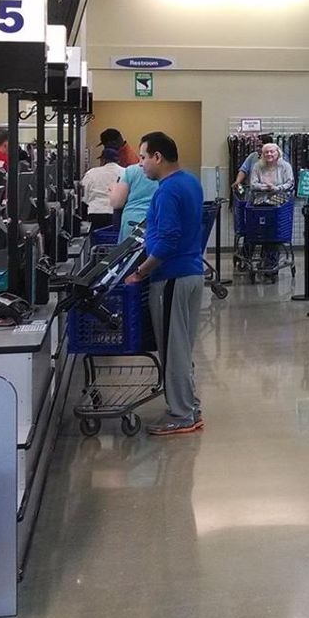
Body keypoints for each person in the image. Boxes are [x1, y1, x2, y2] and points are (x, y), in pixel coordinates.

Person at [121, 132, 207, 437]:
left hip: (172, 277)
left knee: (173, 350)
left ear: (158, 157)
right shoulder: (190, 182)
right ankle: (189, 406)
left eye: (143, 157)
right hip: (191, 273)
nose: (140, 164)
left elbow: (168, 240)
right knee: (181, 346)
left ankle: (182, 414)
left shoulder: (167, 191)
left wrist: (141, 272)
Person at [241, 142, 295, 269]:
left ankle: (270, 264)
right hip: (260, 203)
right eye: (266, 152)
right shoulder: (257, 166)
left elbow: (290, 183)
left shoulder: (285, 166)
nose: (269, 154)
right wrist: (265, 187)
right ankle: (250, 258)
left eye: (272, 151)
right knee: (256, 231)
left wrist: (277, 188)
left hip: (279, 204)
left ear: (278, 153)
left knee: (273, 233)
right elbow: (253, 184)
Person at [110, 143, 161, 243]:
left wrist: (113, 189)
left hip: (132, 222)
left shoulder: (131, 171)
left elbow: (117, 203)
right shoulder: (168, 176)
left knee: (129, 252)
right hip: (156, 222)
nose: (141, 163)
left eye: (143, 157)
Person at [80, 148, 124, 232]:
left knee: (96, 237)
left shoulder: (91, 173)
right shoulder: (125, 172)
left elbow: (83, 196)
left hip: (96, 213)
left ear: (103, 160)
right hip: (116, 214)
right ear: (118, 161)